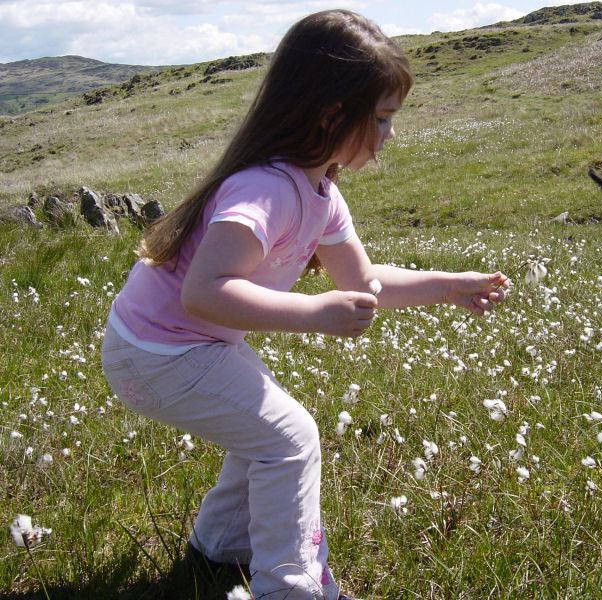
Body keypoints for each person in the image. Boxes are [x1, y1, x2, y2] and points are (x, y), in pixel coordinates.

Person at [100, 9, 509, 600]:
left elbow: (364, 281)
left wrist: (449, 285)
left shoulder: (320, 191)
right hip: (157, 355)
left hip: (174, 348)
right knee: (289, 439)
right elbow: (204, 291)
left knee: (266, 432)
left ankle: (218, 550)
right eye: (382, 117)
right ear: (331, 113)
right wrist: (315, 315)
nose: (390, 134)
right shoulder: (266, 189)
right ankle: (289, 587)